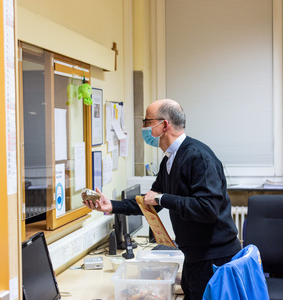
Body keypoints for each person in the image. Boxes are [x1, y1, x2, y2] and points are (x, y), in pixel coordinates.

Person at [82, 99, 241, 300]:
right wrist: (110, 205)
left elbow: (207, 209)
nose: (143, 128)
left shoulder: (198, 156)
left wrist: (163, 198)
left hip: (215, 259)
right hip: (194, 256)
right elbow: (150, 202)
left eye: (147, 122)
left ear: (164, 125)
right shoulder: (170, 159)